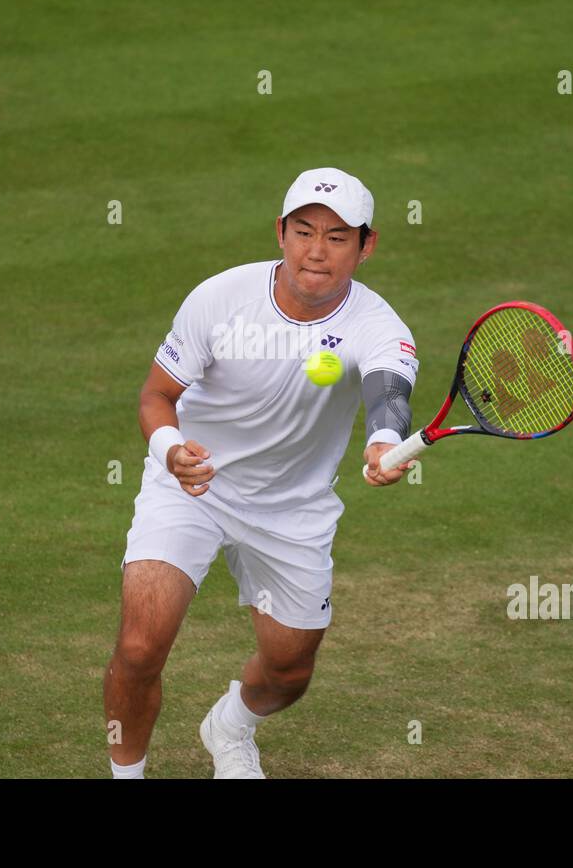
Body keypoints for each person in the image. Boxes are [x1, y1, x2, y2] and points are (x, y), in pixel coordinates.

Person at [103, 166, 419, 778]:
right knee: (140, 646)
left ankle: (231, 726)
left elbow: (390, 393)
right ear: (280, 232)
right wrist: (170, 450)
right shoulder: (220, 298)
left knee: (288, 672)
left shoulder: (379, 326)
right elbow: (155, 396)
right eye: (304, 231)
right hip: (193, 487)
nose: (317, 251)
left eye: (337, 237)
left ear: (367, 245)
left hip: (291, 510)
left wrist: (384, 441)